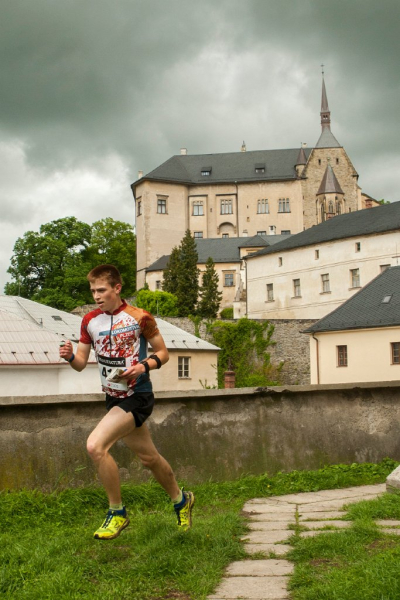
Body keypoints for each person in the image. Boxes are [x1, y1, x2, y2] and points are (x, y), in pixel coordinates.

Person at [59, 264, 194, 540]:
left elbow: (163, 353)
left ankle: (117, 512)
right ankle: (182, 500)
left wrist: (143, 366)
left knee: (95, 446)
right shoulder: (89, 321)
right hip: (113, 397)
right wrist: (70, 356)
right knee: (149, 458)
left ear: (117, 288)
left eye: (101, 290)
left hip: (137, 396)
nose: (96, 296)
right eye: (92, 291)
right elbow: (81, 363)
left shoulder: (140, 317)